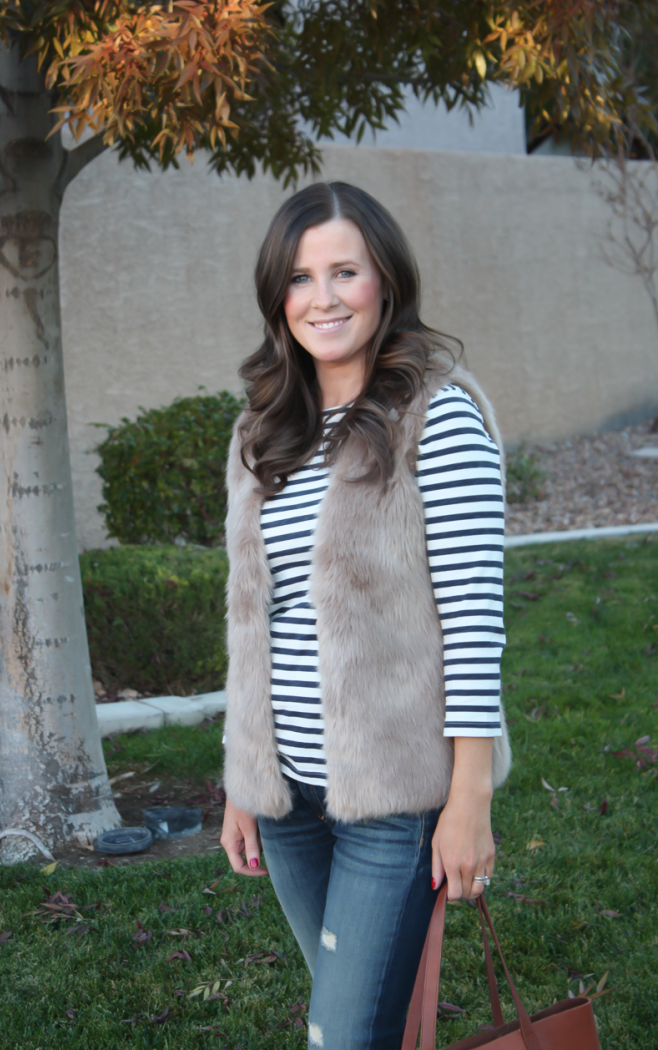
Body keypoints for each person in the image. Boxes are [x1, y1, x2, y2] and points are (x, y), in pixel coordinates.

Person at [220, 181, 511, 1050]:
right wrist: (244, 778)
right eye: (302, 278)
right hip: (288, 802)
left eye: (345, 271)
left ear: (385, 280)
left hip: (396, 797)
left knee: (344, 1035)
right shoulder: (263, 431)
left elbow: (474, 621)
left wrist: (469, 801)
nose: (324, 297)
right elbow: (250, 620)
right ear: (279, 297)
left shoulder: (439, 418)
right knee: (356, 1020)